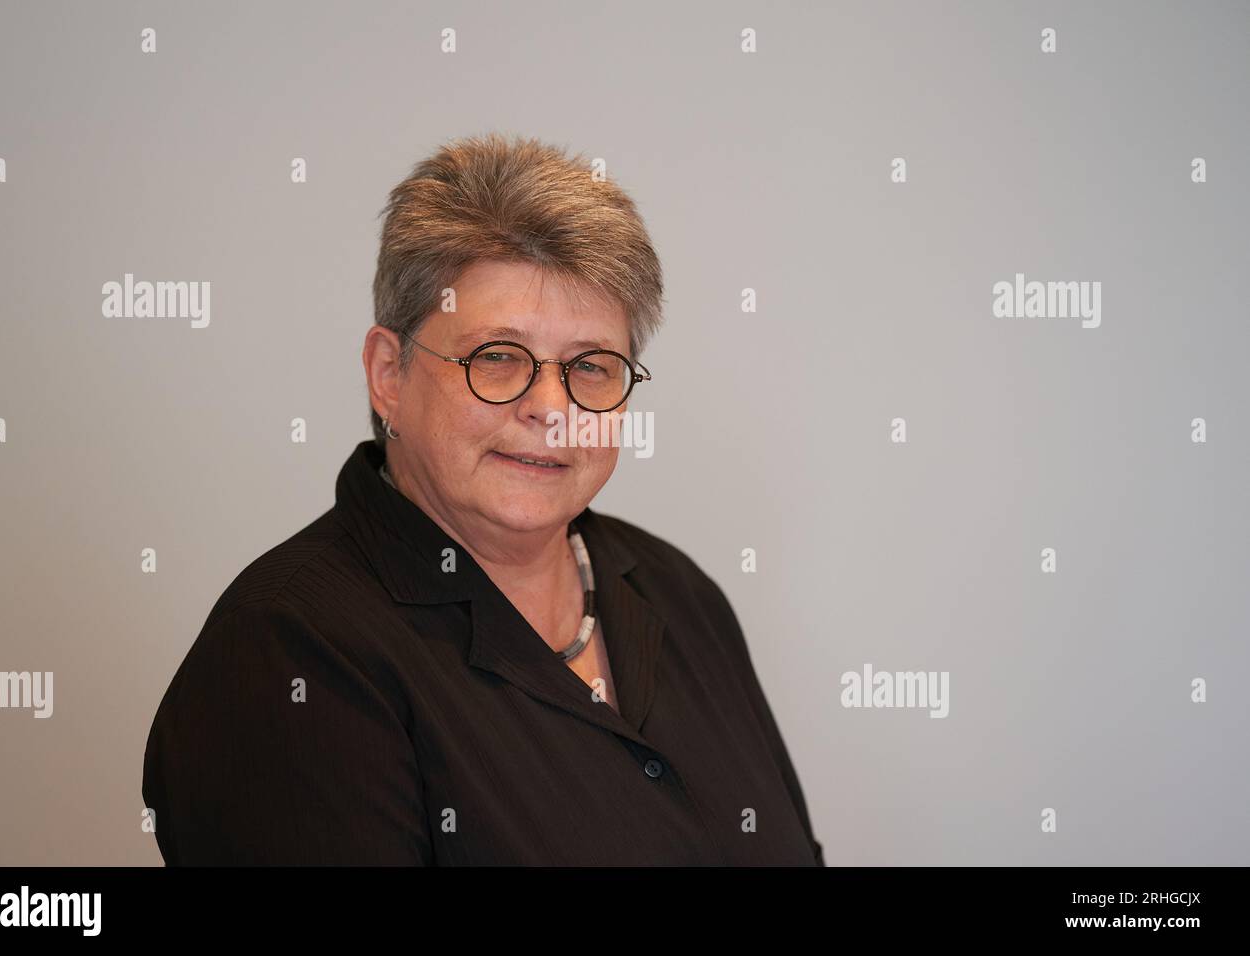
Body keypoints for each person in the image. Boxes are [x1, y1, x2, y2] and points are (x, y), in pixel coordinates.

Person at [142, 132, 825, 865]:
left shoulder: (679, 593)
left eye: (592, 366)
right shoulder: (288, 652)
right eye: (498, 357)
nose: (551, 407)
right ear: (388, 374)